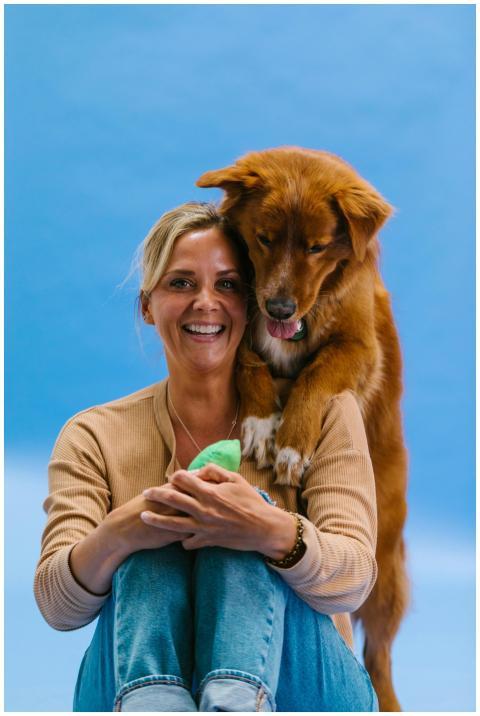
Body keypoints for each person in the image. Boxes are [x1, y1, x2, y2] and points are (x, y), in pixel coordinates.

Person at [34, 201, 379, 712]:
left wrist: (267, 529)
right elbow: (58, 605)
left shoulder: (322, 413)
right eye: (181, 283)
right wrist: (127, 529)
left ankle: (236, 702)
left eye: (228, 285)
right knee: (152, 524)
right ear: (147, 305)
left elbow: (353, 580)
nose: (205, 302)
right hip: (125, 685)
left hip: (305, 689)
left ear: (253, 303)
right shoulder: (91, 434)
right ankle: (158, 701)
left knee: (239, 516)